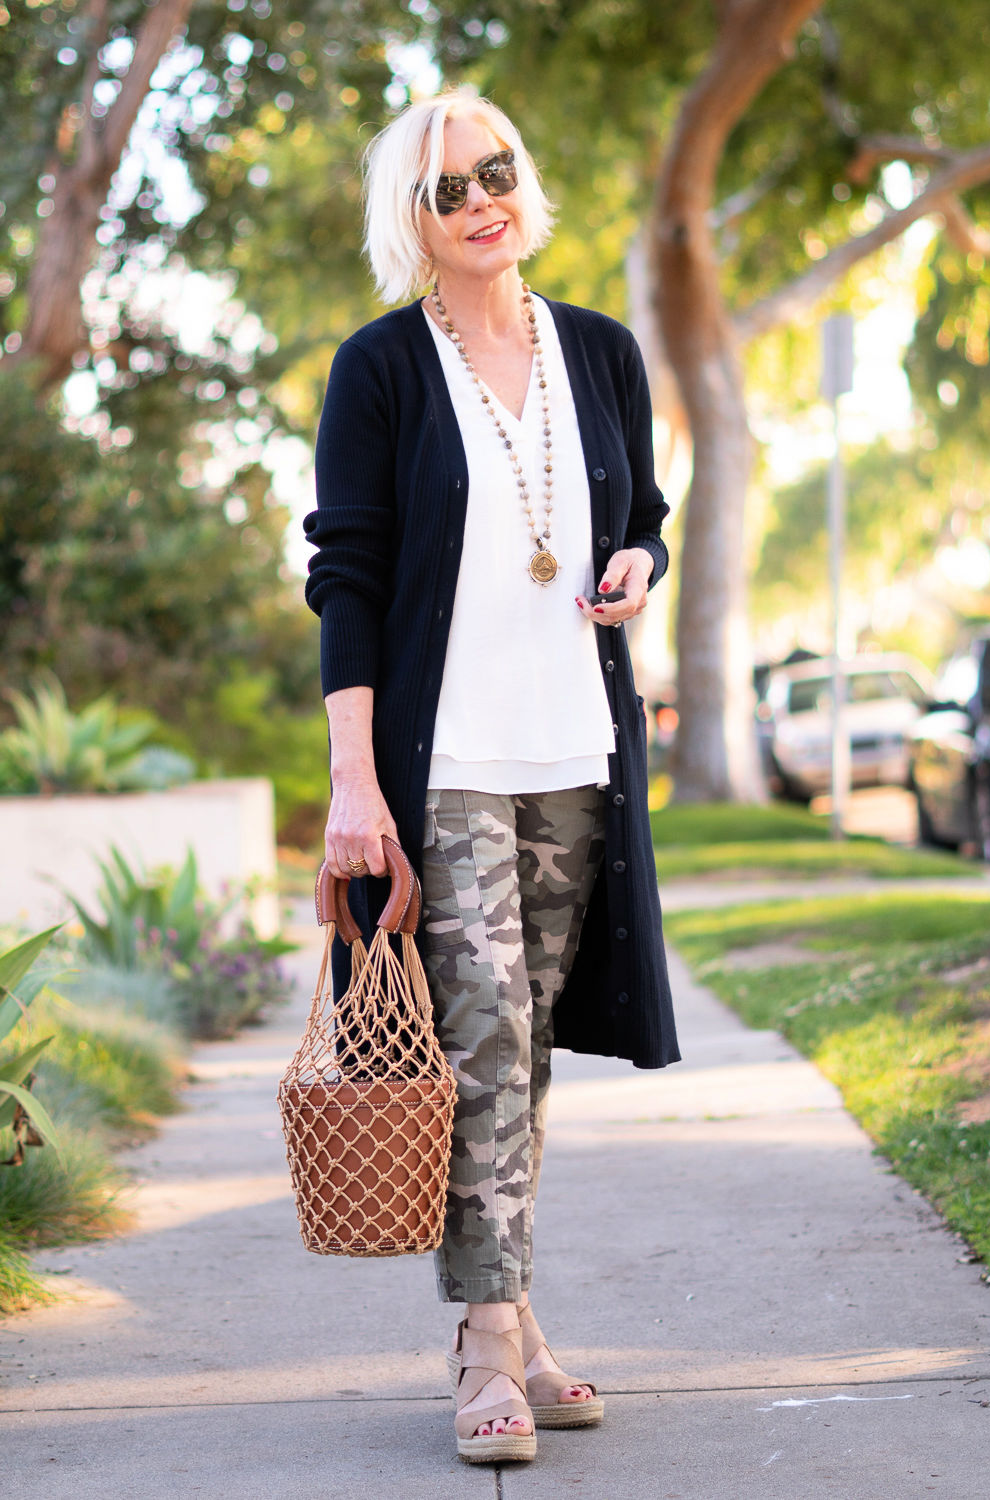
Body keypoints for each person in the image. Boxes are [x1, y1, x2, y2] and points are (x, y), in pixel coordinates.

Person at [303, 88, 680, 1465]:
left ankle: (512, 1319)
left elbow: (636, 515)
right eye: (448, 187)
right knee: (484, 1049)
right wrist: (358, 783)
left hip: (576, 750)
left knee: (523, 1056)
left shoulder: (602, 352)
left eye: (497, 171)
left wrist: (639, 565)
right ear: (413, 219)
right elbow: (346, 575)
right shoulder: (382, 368)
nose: (480, 200)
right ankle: (483, 1346)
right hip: (446, 756)